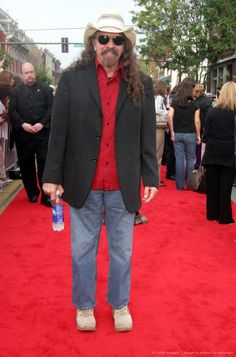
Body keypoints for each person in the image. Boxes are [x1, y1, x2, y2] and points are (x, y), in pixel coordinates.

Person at [42, 11, 158, 332]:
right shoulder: (71, 79)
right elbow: (58, 132)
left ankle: (120, 304)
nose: (110, 45)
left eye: (117, 39)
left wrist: (151, 176)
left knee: (122, 253)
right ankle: (84, 306)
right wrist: (52, 176)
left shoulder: (141, 84)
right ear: (93, 42)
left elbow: (147, 134)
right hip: (84, 183)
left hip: (123, 184)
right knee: (82, 253)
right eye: (104, 38)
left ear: (125, 46)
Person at [9, 63, 53, 206]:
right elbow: (12, 111)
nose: (29, 75)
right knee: (26, 165)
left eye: (31, 72)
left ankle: (46, 195)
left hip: (42, 134)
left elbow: (52, 109)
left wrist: (42, 124)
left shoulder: (46, 90)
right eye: (26, 73)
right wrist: (23, 124)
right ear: (22, 75)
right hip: (24, 135)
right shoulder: (15, 92)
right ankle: (32, 192)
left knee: (44, 164)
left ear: (35, 72)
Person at [201, 81, 236, 224]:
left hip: (212, 150)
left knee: (212, 184)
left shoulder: (212, 111)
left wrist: (203, 152)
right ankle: (224, 216)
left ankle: (211, 214)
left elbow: (206, 134)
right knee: (226, 185)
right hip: (229, 150)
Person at [168, 81, 201, 190]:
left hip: (177, 133)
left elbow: (169, 116)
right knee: (191, 159)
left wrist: (172, 131)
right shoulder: (195, 104)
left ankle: (179, 186)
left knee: (179, 159)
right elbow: (197, 121)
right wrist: (198, 135)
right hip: (191, 134)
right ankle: (189, 184)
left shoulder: (175, 102)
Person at [194, 83, 212, 168]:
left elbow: (202, 118)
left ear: (198, 92)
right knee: (203, 148)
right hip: (206, 126)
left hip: (200, 127)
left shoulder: (197, 102)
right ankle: (201, 163)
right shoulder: (208, 101)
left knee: (198, 147)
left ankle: (198, 163)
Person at [154, 80, 168, 186]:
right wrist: (167, 112)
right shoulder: (159, 98)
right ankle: (156, 179)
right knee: (158, 154)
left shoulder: (154, 97)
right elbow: (157, 109)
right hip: (158, 127)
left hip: (155, 127)